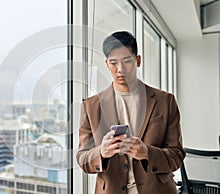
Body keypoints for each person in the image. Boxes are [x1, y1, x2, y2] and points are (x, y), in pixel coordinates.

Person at [76, 31, 185, 194]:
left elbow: (176, 156)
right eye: (113, 63)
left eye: (127, 61)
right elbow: (83, 159)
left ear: (138, 60)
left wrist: (147, 153)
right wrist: (101, 152)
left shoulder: (165, 101)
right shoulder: (90, 106)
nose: (120, 69)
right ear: (106, 64)